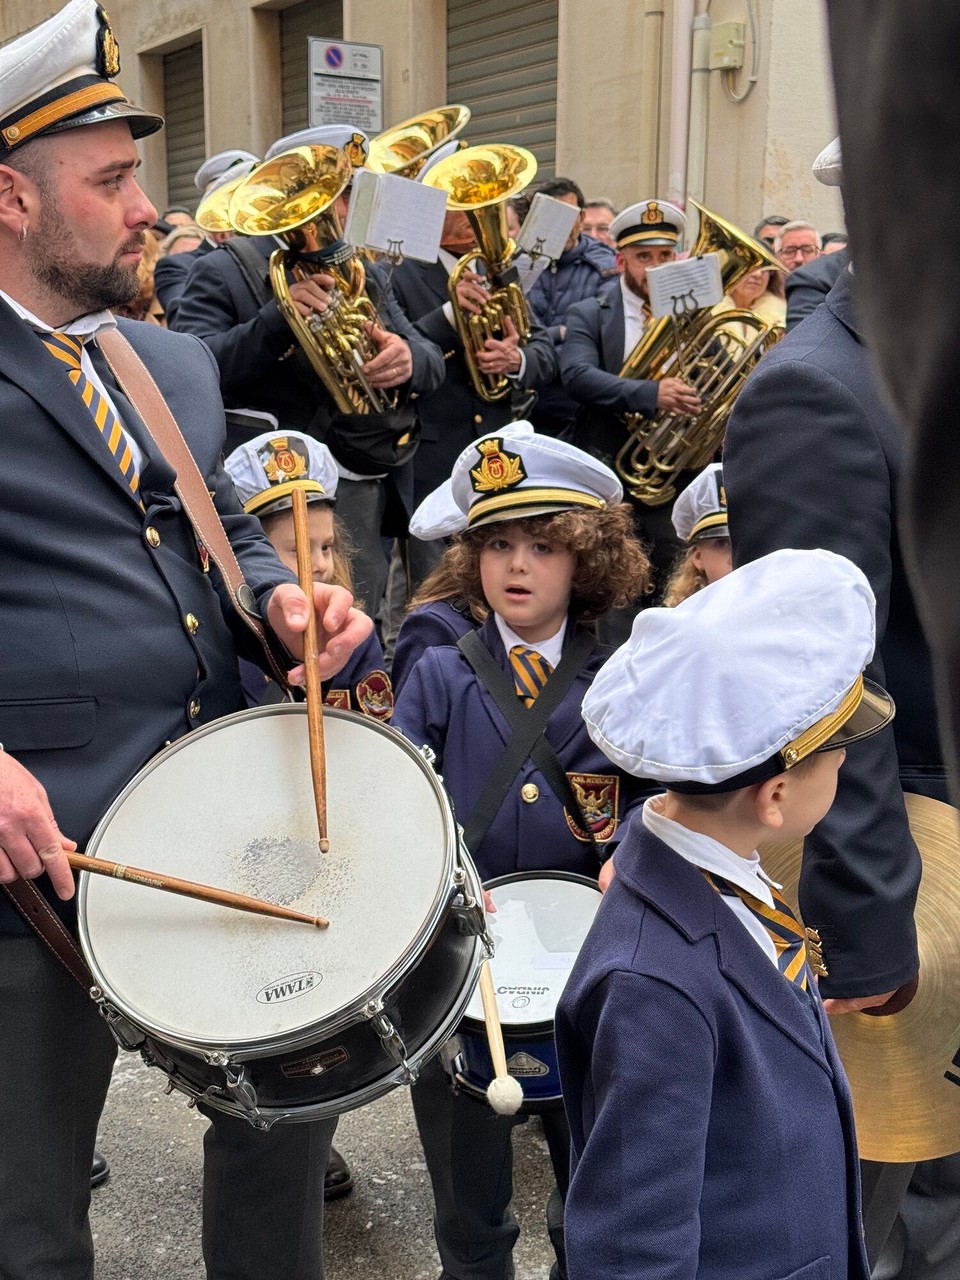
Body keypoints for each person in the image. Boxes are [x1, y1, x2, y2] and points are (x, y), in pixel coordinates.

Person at [0, 4, 372, 1278]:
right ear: (12, 198)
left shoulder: (168, 361)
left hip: (224, 814)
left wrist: (279, 602)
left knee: (280, 1133)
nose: (146, 208)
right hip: (40, 862)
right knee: (29, 1213)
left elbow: (212, 532)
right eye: (109, 182)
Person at [723, 144, 960, 1275]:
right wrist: (872, 937)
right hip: (907, 869)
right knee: (872, 1204)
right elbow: (828, 685)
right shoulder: (819, 387)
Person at [559, 546, 889, 1280]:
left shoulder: (728, 875)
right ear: (773, 798)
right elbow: (631, 1248)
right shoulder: (655, 984)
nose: (844, 764)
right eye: (836, 754)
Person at [391, 427, 654, 1280]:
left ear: (588, 560)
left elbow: (657, 795)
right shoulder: (438, 673)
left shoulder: (618, 679)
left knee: (594, 1172)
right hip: (465, 955)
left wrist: (639, 848)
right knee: (468, 1191)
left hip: (590, 959)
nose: (517, 565)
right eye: (498, 544)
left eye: (543, 546)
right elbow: (401, 797)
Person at [173, 124, 446, 617]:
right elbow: (194, 368)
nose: (345, 213)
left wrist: (407, 358)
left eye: (351, 195)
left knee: (362, 611)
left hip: (370, 474)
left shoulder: (370, 270)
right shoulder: (223, 270)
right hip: (280, 489)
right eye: (339, 196)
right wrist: (278, 321)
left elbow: (428, 357)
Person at [388, 181, 559, 589]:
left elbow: (544, 351)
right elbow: (407, 354)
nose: (471, 215)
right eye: (458, 205)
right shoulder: (402, 274)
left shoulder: (497, 270)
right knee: (433, 580)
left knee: (490, 570)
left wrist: (516, 360)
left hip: (494, 444)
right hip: (433, 448)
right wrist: (449, 316)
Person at [560, 198, 702, 617]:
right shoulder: (590, 311)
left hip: (673, 474)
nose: (655, 267)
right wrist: (650, 393)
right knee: (610, 591)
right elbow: (577, 376)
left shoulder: (693, 311)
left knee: (668, 586)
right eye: (644, 257)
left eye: (664, 256)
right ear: (621, 259)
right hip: (610, 468)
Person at [225, 426, 393, 726]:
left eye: (326, 547)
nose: (319, 564)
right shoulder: (228, 641)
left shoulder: (351, 634)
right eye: (298, 550)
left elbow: (376, 734)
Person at [524, 177, 619, 439]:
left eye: (567, 215)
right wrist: (559, 333)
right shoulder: (520, 260)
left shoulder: (603, 263)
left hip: (574, 402)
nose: (561, 226)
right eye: (551, 216)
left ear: (581, 217)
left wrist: (536, 354)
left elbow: (598, 332)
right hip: (522, 399)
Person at [661, 461, 731, 606]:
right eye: (723, 543)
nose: (738, 554)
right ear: (698, 557)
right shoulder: (676, 624)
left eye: (749, 540)